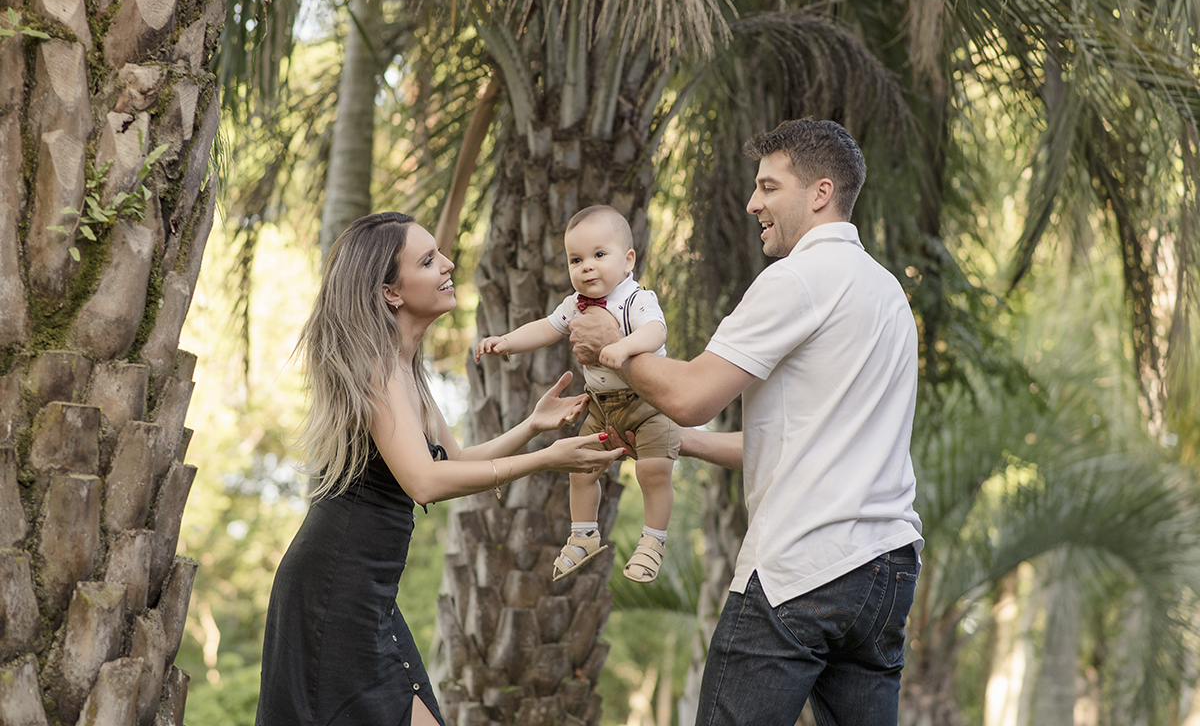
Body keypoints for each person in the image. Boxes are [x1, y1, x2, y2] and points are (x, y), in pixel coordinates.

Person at [569, 119, 924, 725]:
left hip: (801, 566)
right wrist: (680, 443)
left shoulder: (797, 279)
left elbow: (690, 396)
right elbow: (795, 440)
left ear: (820, 192)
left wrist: (612, 347)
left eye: (769, 186)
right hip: (884, 572)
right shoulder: (887, 292)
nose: (753, 203)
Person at [256, 212, 624, 726]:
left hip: (368, 592)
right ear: (390, 292)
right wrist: (546, 460)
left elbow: (455, 462)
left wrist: (532, 428)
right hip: (333, 591)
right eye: (428, 260)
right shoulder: (378, 370)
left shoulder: (405, 369)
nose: (448, 264)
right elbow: (425, 483)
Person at [474, 205, 680, 584]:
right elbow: (545, 328)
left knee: (653, 471)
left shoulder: (635, 299)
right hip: (602, 407)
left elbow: (656, 332)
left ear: (628, 260)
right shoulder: (574, 305)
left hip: (648, 404)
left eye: (599, 255)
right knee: (581, 470)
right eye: (576, 260)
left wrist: (623, 346)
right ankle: (584, 535)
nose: (587, 267)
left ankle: (653, 541)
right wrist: (507, 342)